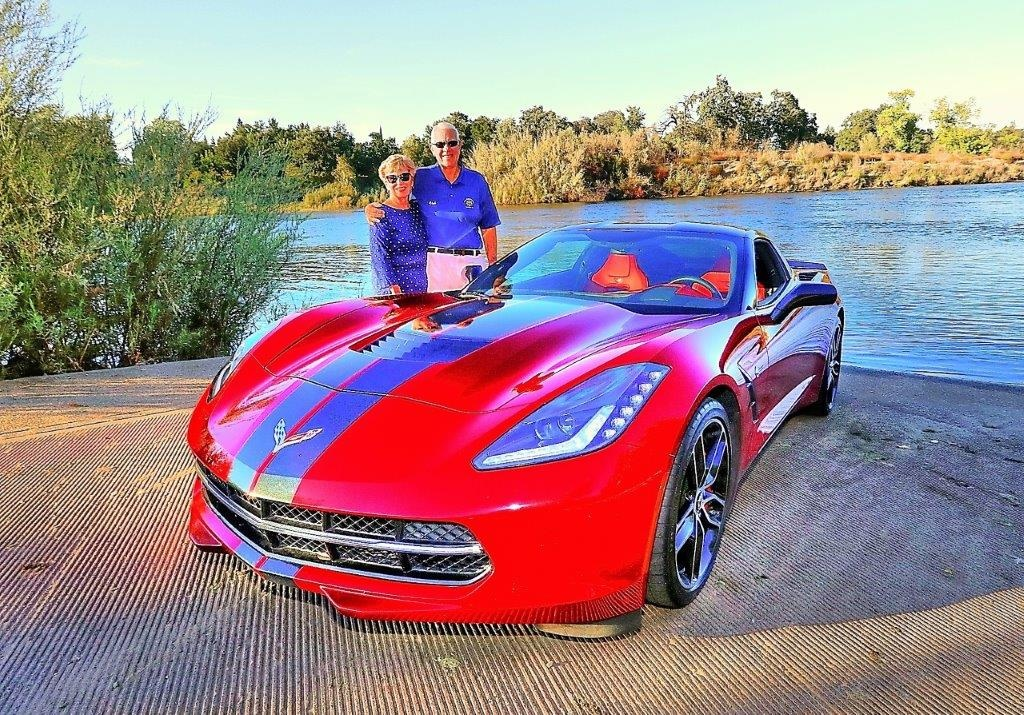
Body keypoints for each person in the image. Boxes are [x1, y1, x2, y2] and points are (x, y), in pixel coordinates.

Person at [366, 122, 500, 292]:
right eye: (440, 144)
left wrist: (493, 267)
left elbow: (488, 227)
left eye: (452, 143)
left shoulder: (477, 180)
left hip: (473, 264)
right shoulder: (421, 177)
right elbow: (398, 192)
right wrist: (370, 209)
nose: (446, 149)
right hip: (435, 266)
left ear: (460, 145)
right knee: (438, 309)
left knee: (478, 309)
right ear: (432, 149)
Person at [368, 154, 428, 295]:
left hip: (420, 284)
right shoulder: (380, 213)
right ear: (386, 183)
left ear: (412, 180)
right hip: (395, 288)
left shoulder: (417, 209)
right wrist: (391, 287)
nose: (399, 183)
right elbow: (379, 255)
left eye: (404, 177)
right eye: (392, 178)